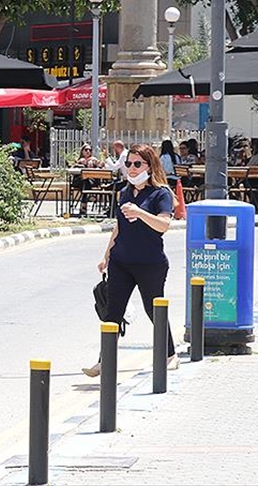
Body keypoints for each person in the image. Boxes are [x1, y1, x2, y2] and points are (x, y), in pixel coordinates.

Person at [84, 142, 177, 377]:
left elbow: (164, 225)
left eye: (137, 164)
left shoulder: (161, 193)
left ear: (150, 165)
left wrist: (140, 213)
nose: (132, 169)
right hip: (121, 262)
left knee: (153, 309)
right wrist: (106, 255)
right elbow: (119, 227)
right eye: (128, 164)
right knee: (112, 313)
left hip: (150, 263)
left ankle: (169, 354)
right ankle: (104, 361)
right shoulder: (125, 192)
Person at [70, 144, 104, 217]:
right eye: (86, 150)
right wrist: (79, 163)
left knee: (86, 182)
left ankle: (83, 206)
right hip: (78, 181)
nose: (88, 151)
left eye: (90, 150)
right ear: (82, 151)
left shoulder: (94, 160)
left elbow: (102, 167)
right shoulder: (78, 160)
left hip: (90, 182)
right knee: (85, 181)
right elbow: (71, 170)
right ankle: (87, 201)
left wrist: (97, 165)